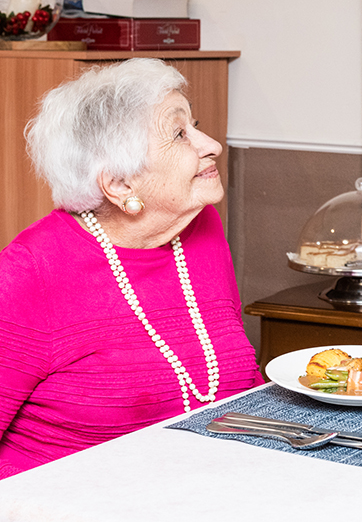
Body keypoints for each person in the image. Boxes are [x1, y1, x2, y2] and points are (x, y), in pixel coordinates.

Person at [0, 59, 263, 478]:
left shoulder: (200, 227)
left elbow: (230, 390)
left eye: (195, 124)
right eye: (180, 134)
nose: (211, 143)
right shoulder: (30, 272)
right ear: (120, 184)